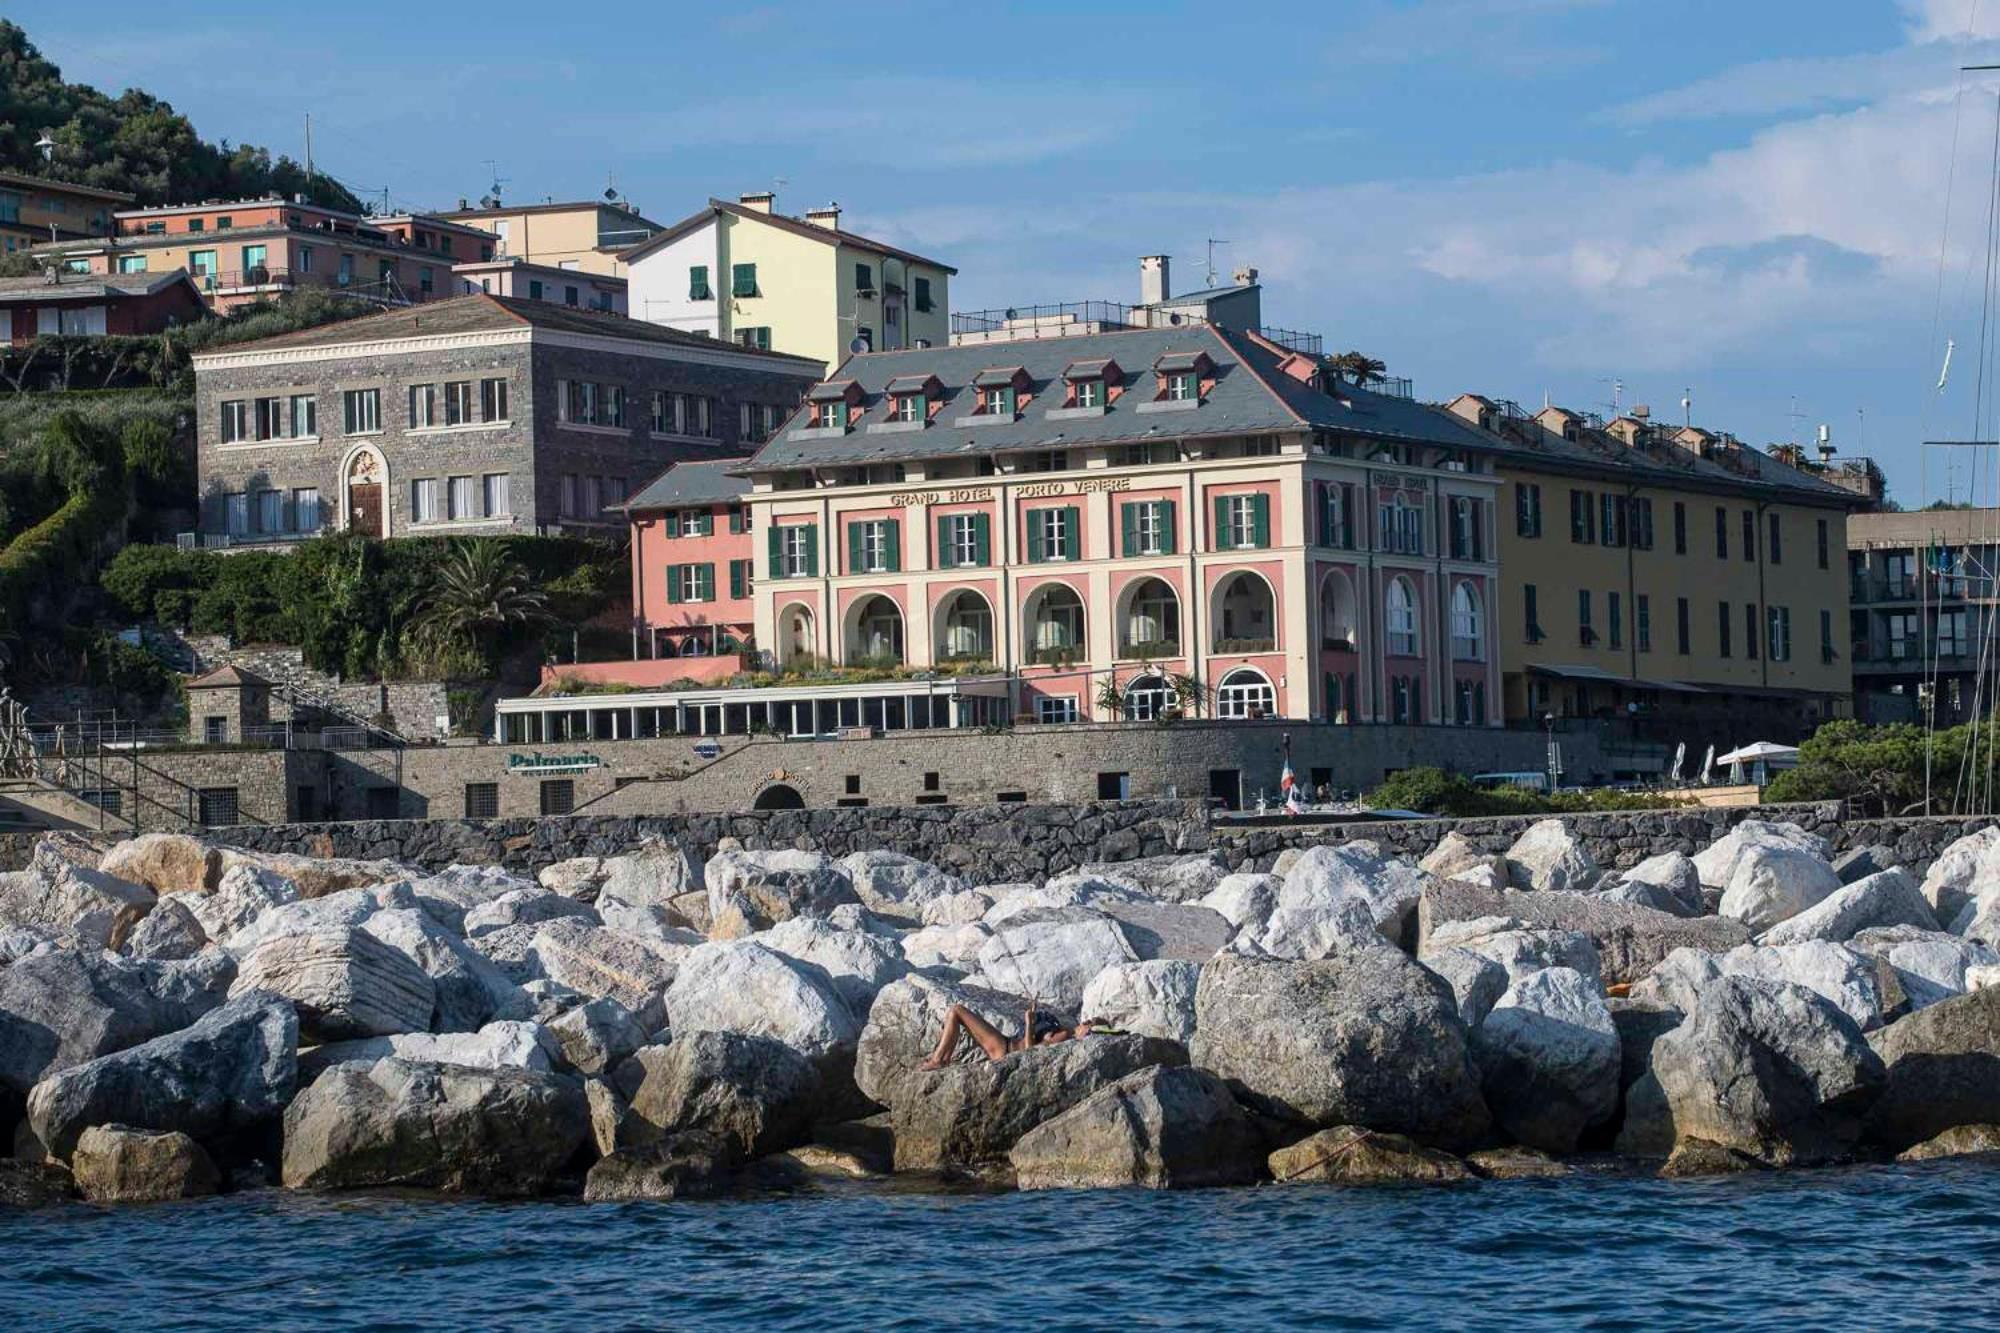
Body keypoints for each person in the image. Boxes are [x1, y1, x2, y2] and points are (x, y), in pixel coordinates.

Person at [917, 999, 1099, 1069]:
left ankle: (939, 1060)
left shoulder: (1067, 1035)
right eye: (1089, 1022)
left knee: (957, 1011)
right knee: (954, 1013)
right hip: (1005, 1046)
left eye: (1089, 1025)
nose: (1086, 1024)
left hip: (1006, 1049)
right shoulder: (1066, 1033)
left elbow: (1030, 1053)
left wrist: (1030, 1023)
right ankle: (942, 1059)